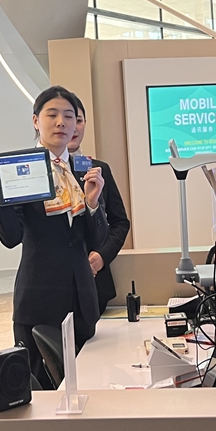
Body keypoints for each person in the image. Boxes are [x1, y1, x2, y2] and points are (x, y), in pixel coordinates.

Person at [0, 86, 108, 388]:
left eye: (69, 116)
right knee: (43, 394)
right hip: (39, 301)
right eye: (52, 115)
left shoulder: (83, 170)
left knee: (89, 388)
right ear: (36, 121)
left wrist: (91, 204)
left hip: (82, 301)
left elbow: (97, 240)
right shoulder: (21, 170)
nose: (62, 123)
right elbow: (11, 238)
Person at [68, 98, 131, 315]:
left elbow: (120, 222)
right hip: (54, 286)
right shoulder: (41, 171)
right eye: (67, 119)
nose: (72, 127)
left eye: (78, 120)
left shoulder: (98, 169)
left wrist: (102, 256)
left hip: (96, 285)